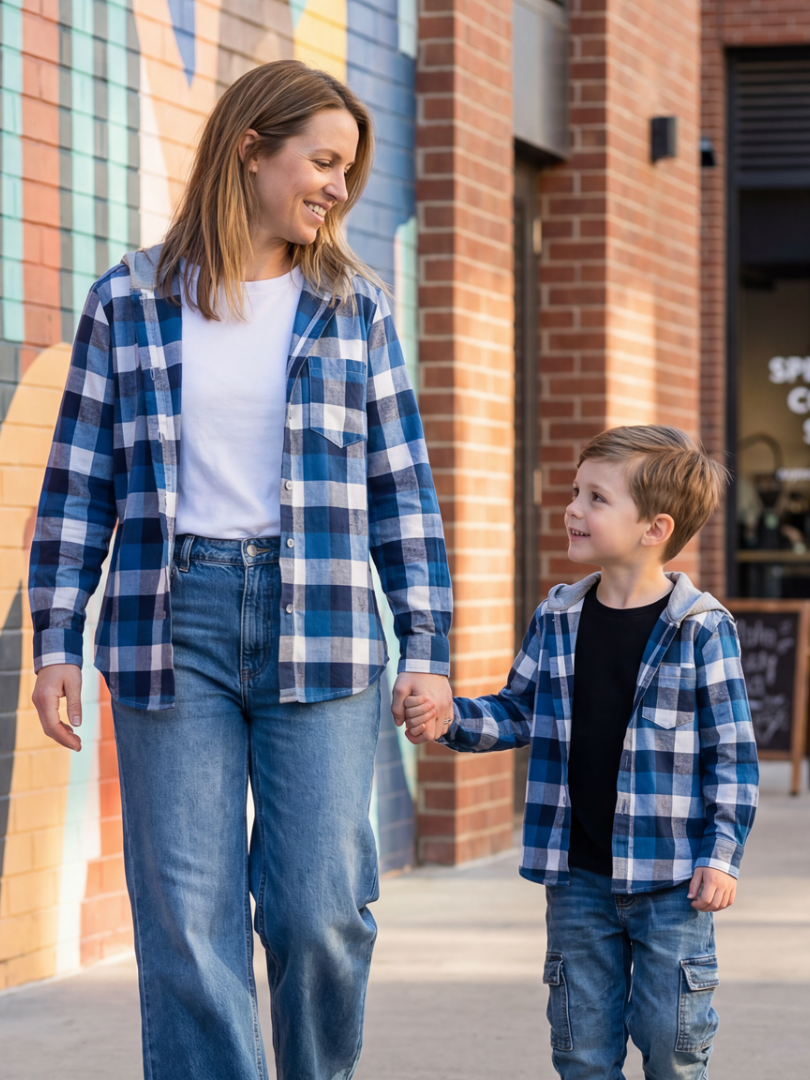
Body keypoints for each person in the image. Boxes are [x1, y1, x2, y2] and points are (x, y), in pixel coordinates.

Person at [29, 60, 453, 1080]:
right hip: (168, 621)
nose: (338, 188)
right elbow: (80, 484)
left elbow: (402, 492)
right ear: (249, 150)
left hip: (326, 621)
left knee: (318, 907)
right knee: (185, 916)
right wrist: (55, 637)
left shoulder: (356, 307)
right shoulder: (127, 300)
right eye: (322, 161)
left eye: (349, 170)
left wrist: (429, 647)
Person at [403, 425, 759, 1080]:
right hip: (579, 882)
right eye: (575, 491)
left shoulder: (701, 629)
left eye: (595, 498)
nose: (571, 508)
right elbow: (518, 711)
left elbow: (732, 757)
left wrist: (722, 856)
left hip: (673, 879)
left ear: (654, 528)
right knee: (580, 1047)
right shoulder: (558, 617)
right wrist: (451, 719)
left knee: (672, 1041)